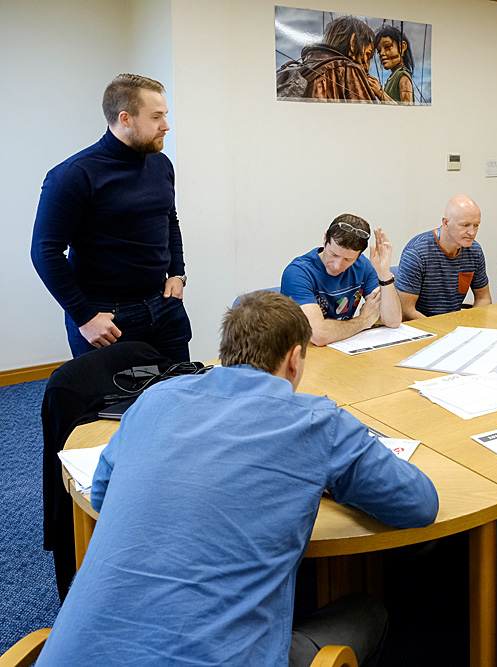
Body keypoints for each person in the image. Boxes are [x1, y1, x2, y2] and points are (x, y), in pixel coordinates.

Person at [35, 290, 439, 667]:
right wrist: (327, 479)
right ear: (295, 359)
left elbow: (103, 494)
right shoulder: (316, 422)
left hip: (74, 655)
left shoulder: (155, 399)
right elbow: (419, 504)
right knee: (368, 612)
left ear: (225, 351)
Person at [31, 73, 192, 363]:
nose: (166, 126)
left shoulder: (161, 164)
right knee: (113, 394)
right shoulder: (73, 175)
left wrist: (177, 274)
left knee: (180, 388)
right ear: (125, 118)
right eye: (156, 117)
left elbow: (169, 220)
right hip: (106, 316)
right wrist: (84, 317)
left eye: (165, 115)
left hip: (164, 305)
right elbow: (45, 251)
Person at [281, 214, 401, 346]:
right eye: (334, 254)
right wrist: (365, 320)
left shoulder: (363, 265)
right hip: (303, 350)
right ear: (325, 239)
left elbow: (393, 321)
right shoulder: (298, 272)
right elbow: (319, 335)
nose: (337, 265)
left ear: (359, 255)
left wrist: (384, 273)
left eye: (348, 259)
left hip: (341, 345)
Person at [396, 194, 492, 319]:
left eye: (476, 225)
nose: (472, 232)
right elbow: (406, 310)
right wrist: (439, 328)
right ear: (446, 223)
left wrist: (472, 322)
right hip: (421, 324)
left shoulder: (474, 251)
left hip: (452, 323)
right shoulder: (416, 253)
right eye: (465, 225)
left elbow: (483, 298)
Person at [279, 15, 390, 102]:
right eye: (367, 55)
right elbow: (368, 117)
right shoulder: (349, 68)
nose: (367, 67)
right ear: (353, 42)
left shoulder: (299, 68)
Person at [375, 24, 414, 103]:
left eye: (387, 47)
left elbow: (407, 108)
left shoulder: (403, 77)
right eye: (379, 51)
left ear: (402, 47)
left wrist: (380, 93)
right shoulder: (392, 78)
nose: (382, 53)